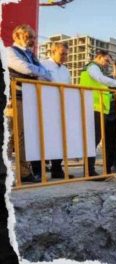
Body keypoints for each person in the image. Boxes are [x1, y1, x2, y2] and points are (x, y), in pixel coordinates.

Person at [6, 24, 52, 183]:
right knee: (14, 136)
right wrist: (39, 73)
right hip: (15, 97)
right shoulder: (9, 51)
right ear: (17, 36)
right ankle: (15, 171)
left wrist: (38, 72)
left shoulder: (31, 55)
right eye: (29, 37)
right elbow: (24, 68)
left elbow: (47, 75)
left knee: (24, 136)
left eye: (34, 37)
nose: (32, 40)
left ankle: (24, 171)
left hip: (29, 97)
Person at [79, 50, 116, 177]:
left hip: (98, 108)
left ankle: (90, 169)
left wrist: (115, 94)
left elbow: (104, 90)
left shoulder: (98, 70)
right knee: (93, 140)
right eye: (106, 60)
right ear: (98, 57)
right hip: (91, 107)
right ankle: (89, 170)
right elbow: (100, 79)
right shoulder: (92, 67)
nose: (107, 64)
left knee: (95, 140)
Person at [36, 42, 74, 180]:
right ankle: (38, 171)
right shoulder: (43, 64)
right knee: (41, 139)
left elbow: (69, 86)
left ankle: (57, 169)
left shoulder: (65, 69)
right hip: (45, 106)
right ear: (53, 51)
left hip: (60, 107)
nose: (64, 57)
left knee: (59, 139)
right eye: (62, 53)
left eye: (66, 54)